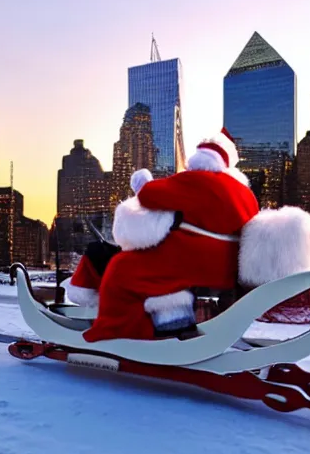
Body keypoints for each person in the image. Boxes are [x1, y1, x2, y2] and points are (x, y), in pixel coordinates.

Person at [68, 128, 259, 342]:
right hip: (224, 271)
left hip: (187, 265)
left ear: (201, 160)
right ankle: (166, 323)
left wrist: (142, 182)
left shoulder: (197, 180)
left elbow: (151, 195)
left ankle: (117, 333)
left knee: (121, 267)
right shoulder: (246, 194)